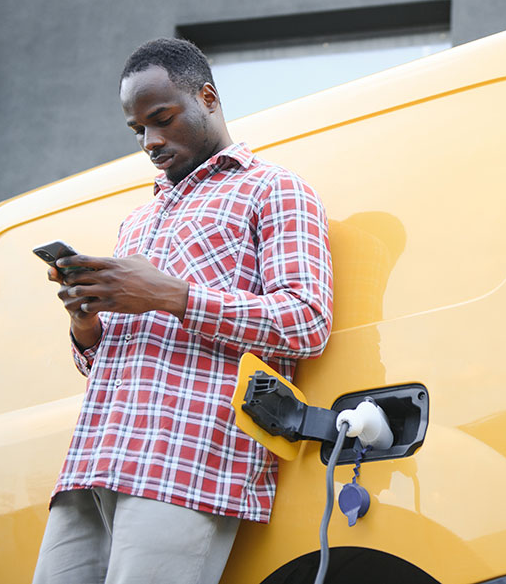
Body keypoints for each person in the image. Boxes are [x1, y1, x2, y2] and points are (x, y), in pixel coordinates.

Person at [32, 38, 334, 584]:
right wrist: (86, 322)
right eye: (137, 130)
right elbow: (102, 362)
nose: (150, 140)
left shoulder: (274, 189)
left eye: (162, 118)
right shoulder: (137, 221)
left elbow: (306, 319)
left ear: (208, 98)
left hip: (187, 464)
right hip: (92, 461)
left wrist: (173, 296)